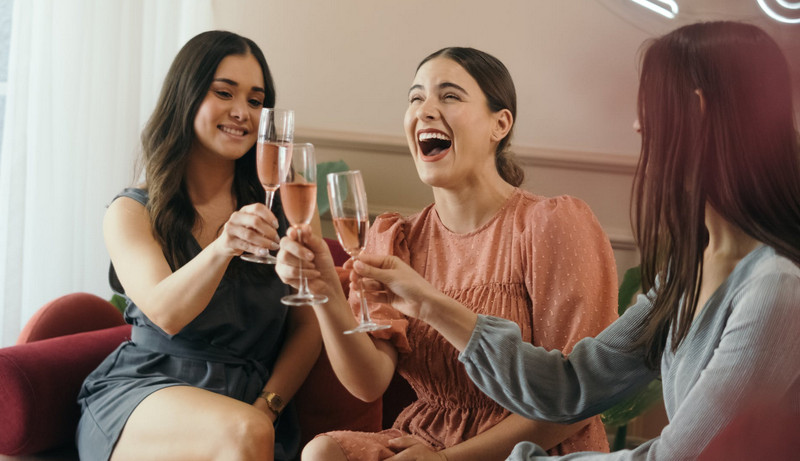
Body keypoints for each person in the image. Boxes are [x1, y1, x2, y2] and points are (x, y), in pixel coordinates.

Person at [347, 21, 800, 459]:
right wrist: (427, 303)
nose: (639, 127)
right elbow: (569, 387)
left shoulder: (775, 288)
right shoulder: (687, 273)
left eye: (651, 104)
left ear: (698, 110)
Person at [276, 47, 619, 460]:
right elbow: (368, 383)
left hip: (530, 447)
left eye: (450, 96)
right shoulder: (396, 238)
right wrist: (328, 292)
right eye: (416, 98)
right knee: (323, 453)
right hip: (426, 441)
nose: (425, 110)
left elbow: (577, 399)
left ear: (500, 123)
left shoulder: (551, 224)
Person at [76, 31, 321, 461]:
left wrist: (269, 405)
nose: (242, 112)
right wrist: (225, 244)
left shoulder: (286, 203)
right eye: (224, 92)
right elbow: (166, 313)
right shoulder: (131, 212)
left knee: (248, 431)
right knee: (245, 432)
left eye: (255, 100)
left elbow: (307, 323)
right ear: (186, 96)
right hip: (145, 392)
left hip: (248, 405)